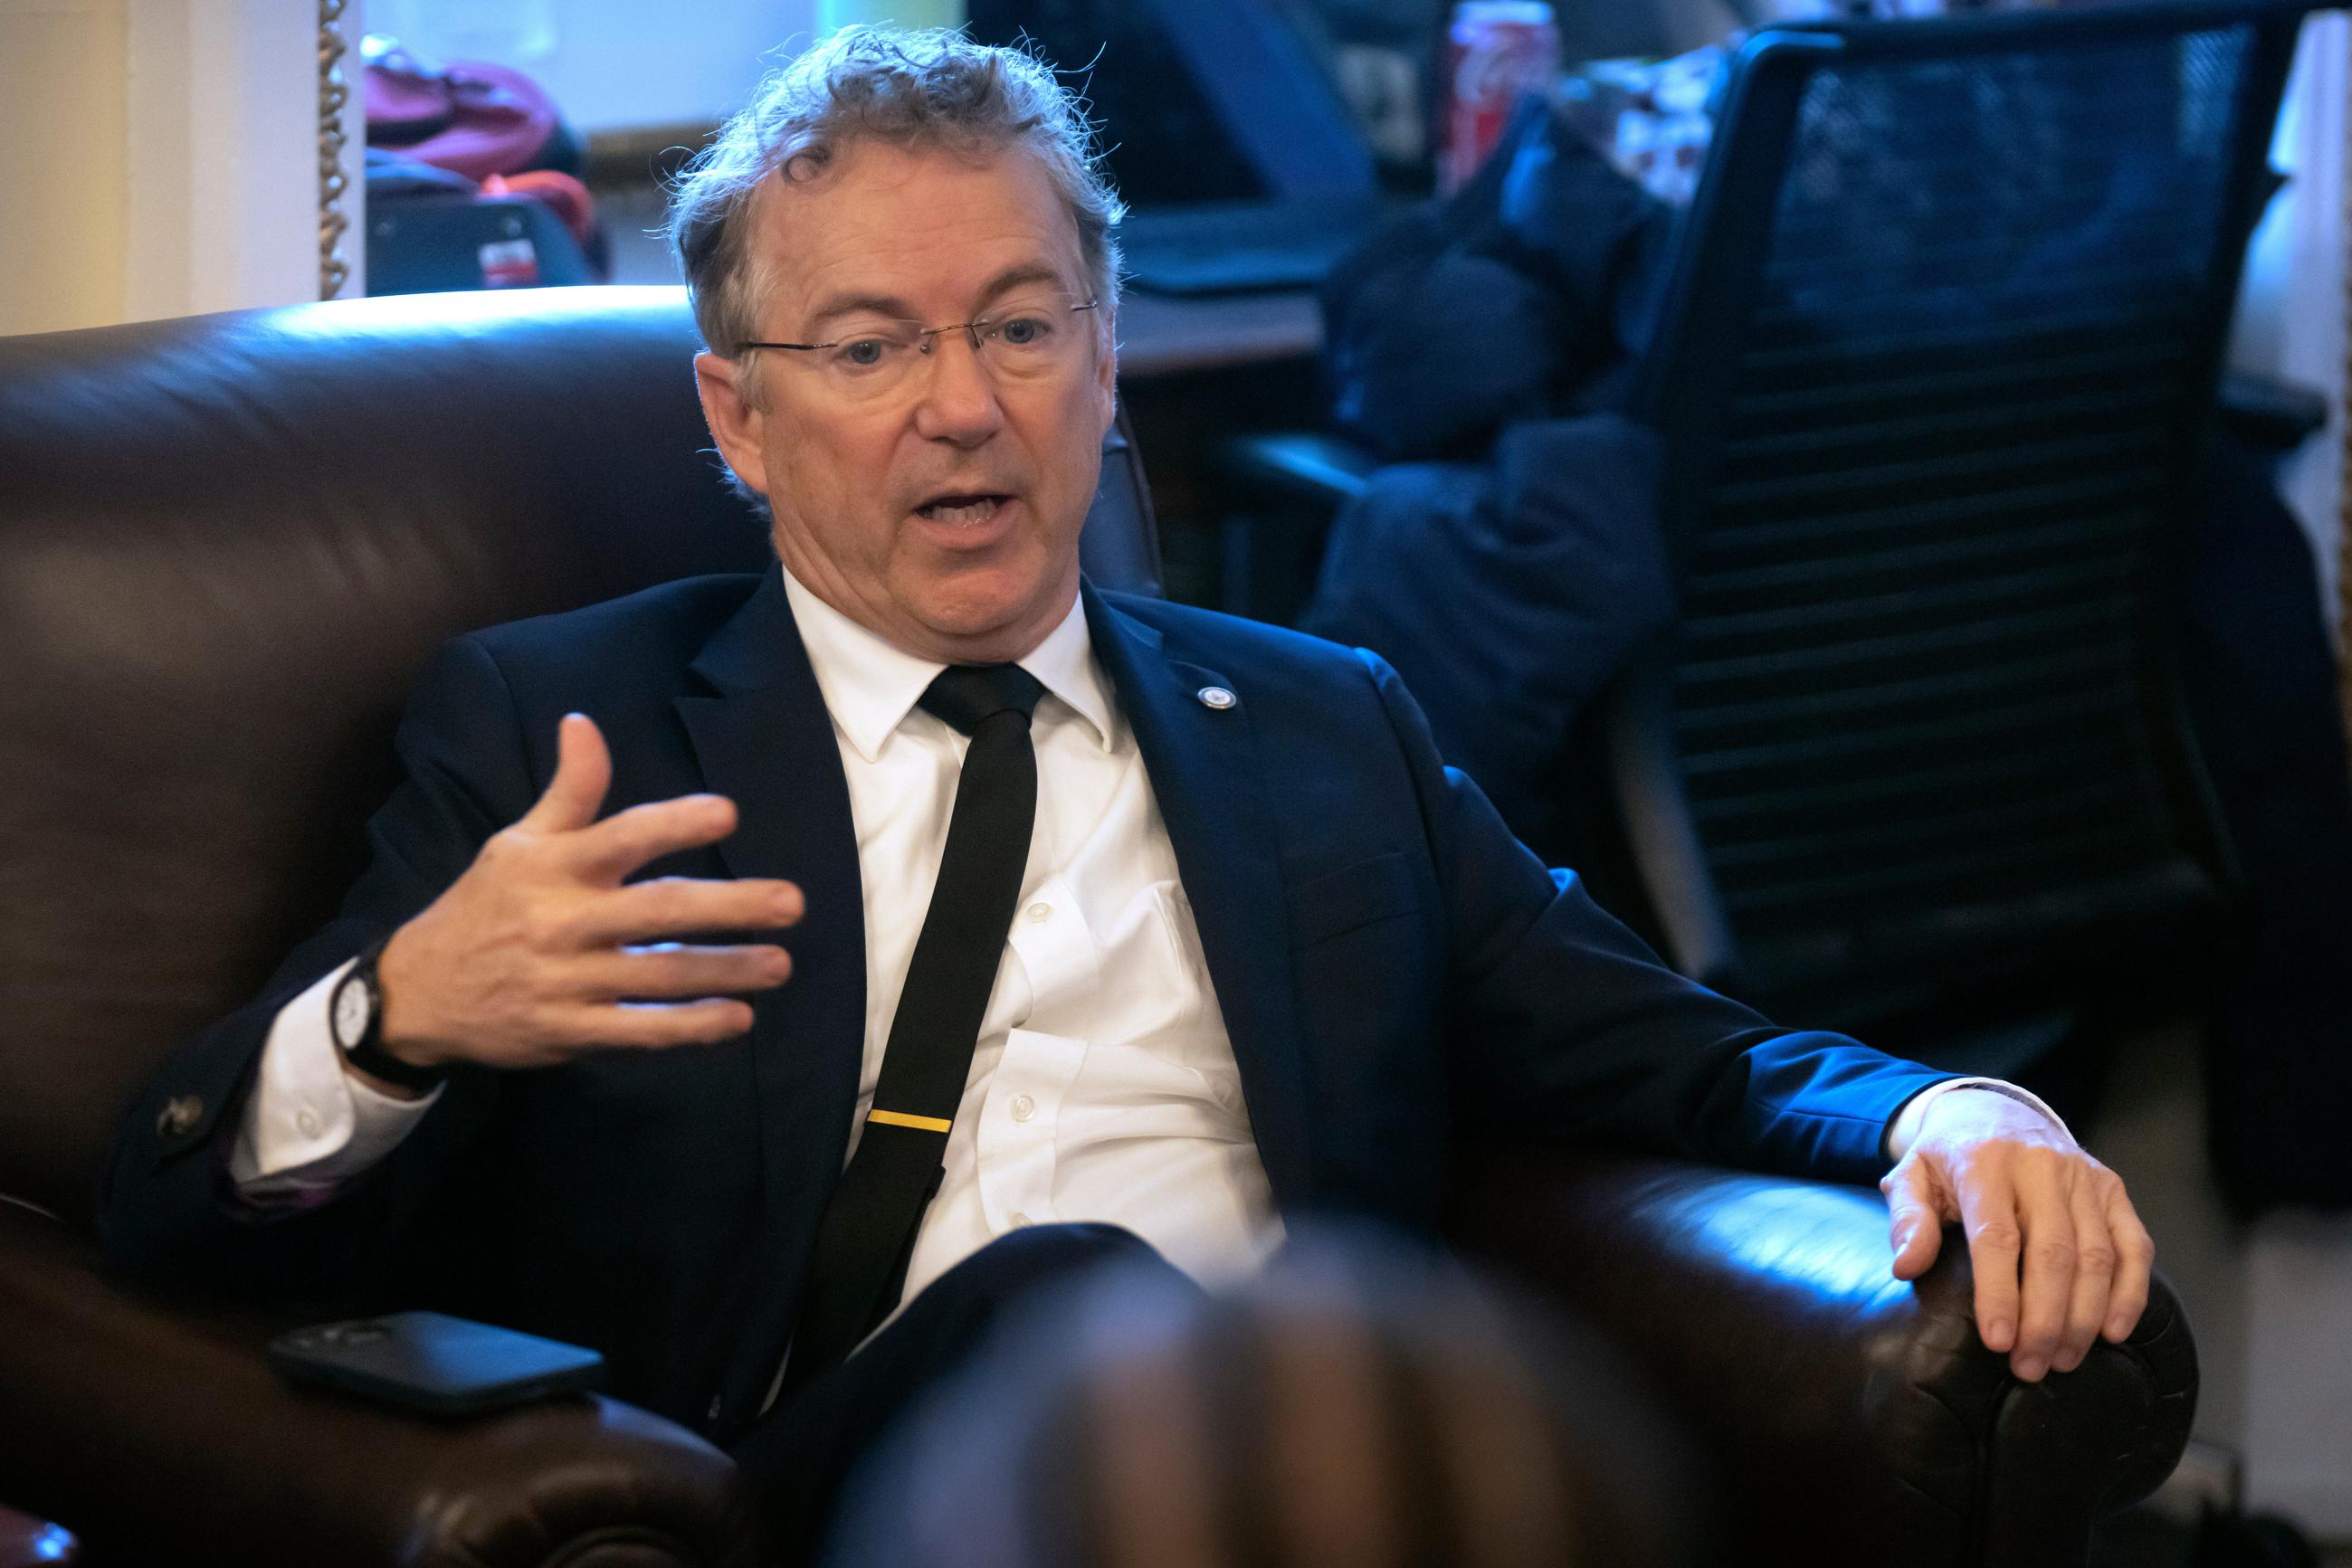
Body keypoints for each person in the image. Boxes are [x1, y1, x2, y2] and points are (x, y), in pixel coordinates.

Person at [100, 26, 2154, 1564]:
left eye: (1018, 324)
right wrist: (398, 1021)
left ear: (1103, 357)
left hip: (1312, 1485)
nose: (964, 406)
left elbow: (1679, 1058)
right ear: (736, 415)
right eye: (870, 349)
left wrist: (1951, 1107)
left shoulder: (1326, 722)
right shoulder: (573, 731)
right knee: (1082, 1301)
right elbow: (172, 1213)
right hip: (820, 1490)